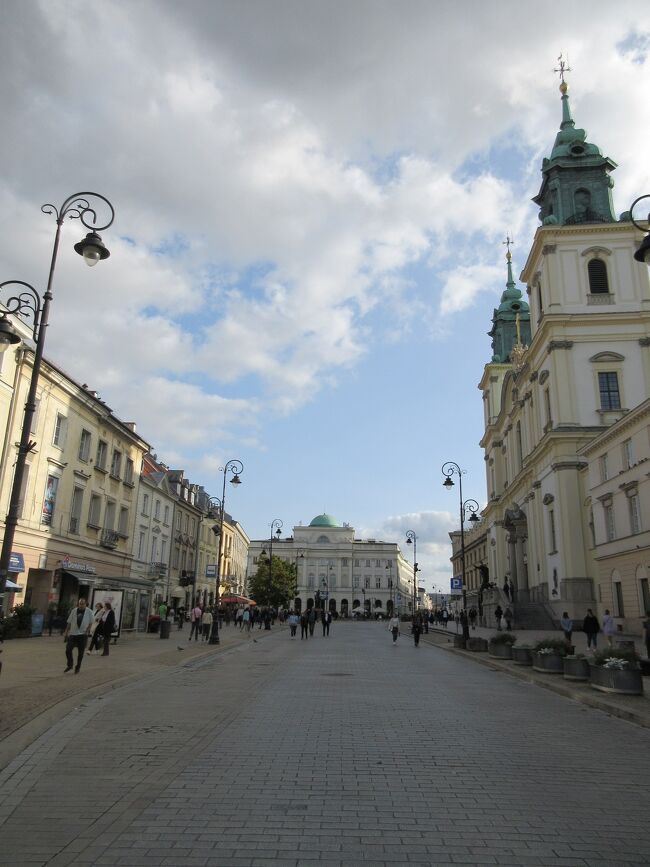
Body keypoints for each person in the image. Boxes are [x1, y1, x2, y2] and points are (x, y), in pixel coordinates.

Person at [63, 597, 94, 674]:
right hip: (73, 634)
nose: (81, 605)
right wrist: (66, 632)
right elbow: (69, 622)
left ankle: (78, 667)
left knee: (80, 653)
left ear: (85, 604)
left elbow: (91, 622)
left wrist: (87, 631)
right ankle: (70, 665)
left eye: (83, 603)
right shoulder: (74, 611)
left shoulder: (89, 612)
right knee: (68, 650)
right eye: (80, 603)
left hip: (83, 635)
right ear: (78, 603)